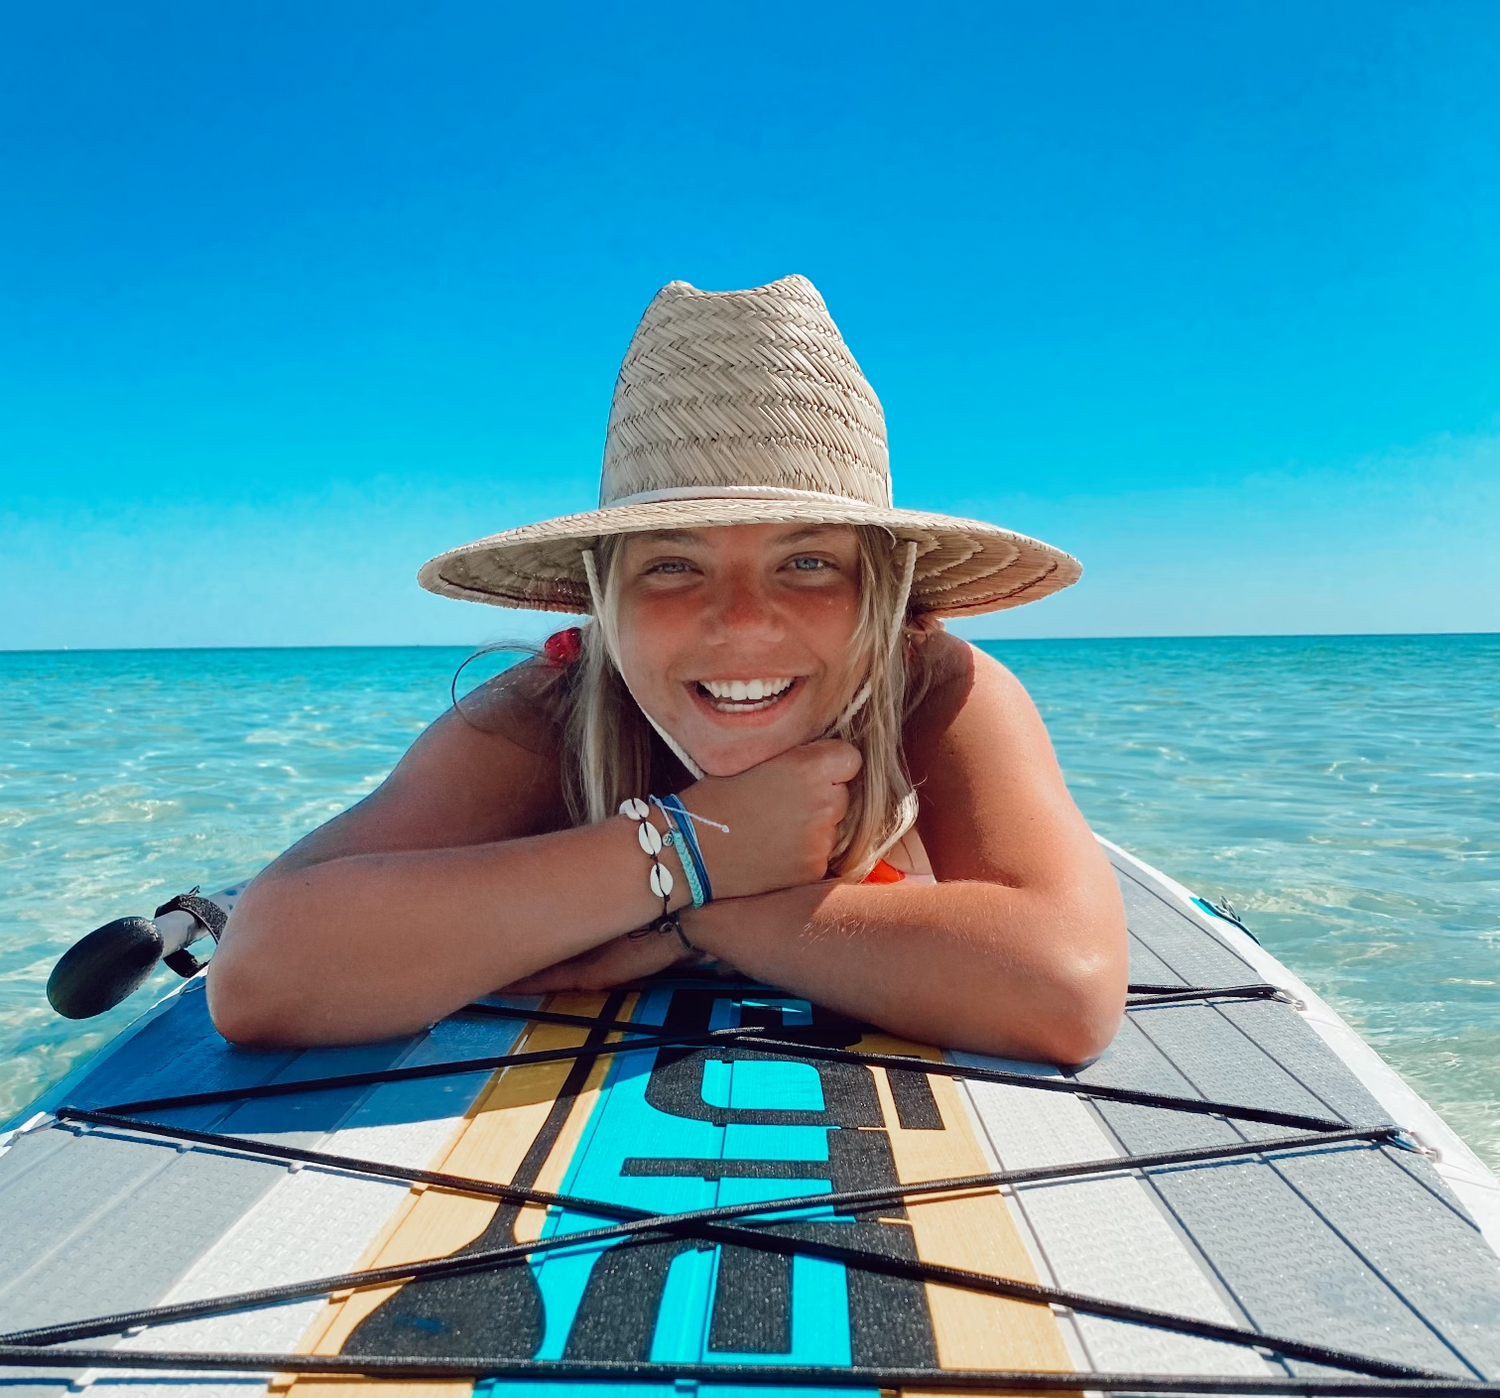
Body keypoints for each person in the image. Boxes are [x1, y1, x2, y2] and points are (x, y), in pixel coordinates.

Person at [208, 277, 1126, 1063]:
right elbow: (260, 977)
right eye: (672, 566)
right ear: (601, 600)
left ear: (884, 597)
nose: (740, 621)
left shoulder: (935, 687)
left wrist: (695, 907)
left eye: (808, 563)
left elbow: (1064, 987)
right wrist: (697, 843)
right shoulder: (550, 708)